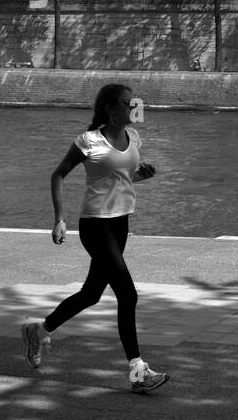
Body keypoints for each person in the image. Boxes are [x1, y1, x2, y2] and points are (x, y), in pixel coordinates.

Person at [22, 83, 169, 393]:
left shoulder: (134, 138)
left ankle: (38, 331)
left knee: (91, 294)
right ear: (110, 110)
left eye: (133, 103)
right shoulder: (88, 142)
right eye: (127, 104)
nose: (133, 108)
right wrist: (59, 219)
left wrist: (142, 176)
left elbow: (123, 180)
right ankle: (138, 372)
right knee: (127, 295)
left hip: (119, 224)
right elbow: (58, 175)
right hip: (95, 226)